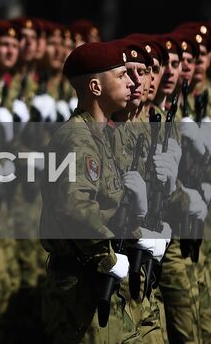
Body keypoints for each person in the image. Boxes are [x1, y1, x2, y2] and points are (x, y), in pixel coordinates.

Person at [39, 39, 153, 344]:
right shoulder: (78, 138)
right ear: (95, 87)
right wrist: (107, 255)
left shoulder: (103, 135)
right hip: (81, 289)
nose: (132, 83)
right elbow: (74, 208)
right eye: (121, 76)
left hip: (101, 279)